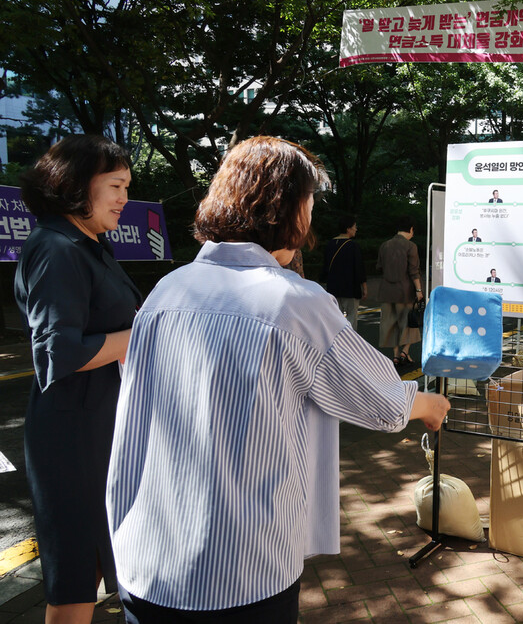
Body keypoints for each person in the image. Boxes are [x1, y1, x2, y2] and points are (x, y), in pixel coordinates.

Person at [105, 137, 450, 623]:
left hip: (146, 556)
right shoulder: (295, 303)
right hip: (239, 571)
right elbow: (381, 401)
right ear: (290, 209)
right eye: (308, 201)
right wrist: (429, 405)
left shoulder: (167, 290)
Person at [14, 135, 142, 623]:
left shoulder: (85, 243)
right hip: (71, 435)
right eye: (114, 185)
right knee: (74, 573)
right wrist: (141, 334)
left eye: (127, 186)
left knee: (86, 567)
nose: (123, 198)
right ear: (73, 185)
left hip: (96, 426)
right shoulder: (56, 248)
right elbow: (57, 353)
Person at [377, 215, 423, 366]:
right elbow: (413, 271)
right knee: (409, 324)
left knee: (391, 324)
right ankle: (405, 351)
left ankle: (396, 355)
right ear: (410, 229)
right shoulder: (411, 246)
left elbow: (379, 267)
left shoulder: (385, 245)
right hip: (405, 291)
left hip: (386, 291)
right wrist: (419, 290)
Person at [319, 214, 367, 331]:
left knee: (336, 318)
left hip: (333, 289)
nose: (356, 229)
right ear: (348, 229)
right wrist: (364, 287)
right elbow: (359, 268)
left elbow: (325, 267)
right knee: (351, 318)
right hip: (351, 289)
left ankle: (337, 342)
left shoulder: (329, 245)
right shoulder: (353, 246)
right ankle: (350, 342)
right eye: (354, 226)